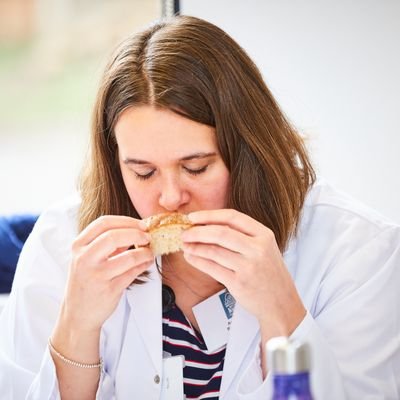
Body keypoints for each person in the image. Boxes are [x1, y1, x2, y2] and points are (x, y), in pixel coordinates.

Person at [0, 15, 399, 400]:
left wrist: (282, 315)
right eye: (143, 172)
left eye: (196, 167)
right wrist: (77, 326)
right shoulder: (60, 244)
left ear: (249, 151)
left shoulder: (359, 252)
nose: (171, 197)